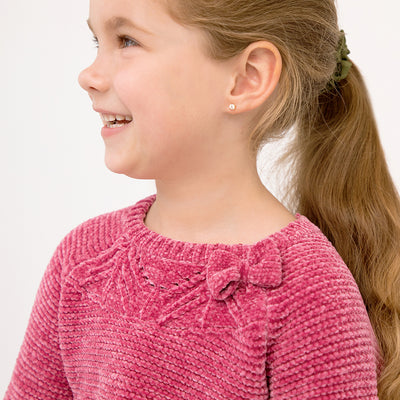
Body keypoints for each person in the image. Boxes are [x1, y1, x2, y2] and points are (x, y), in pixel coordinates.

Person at [4, 0, 400, 399]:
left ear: (247, 78)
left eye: (126, 41)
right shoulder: (81, 259)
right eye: (97, 41)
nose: (87, 76)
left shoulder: (309, 295)